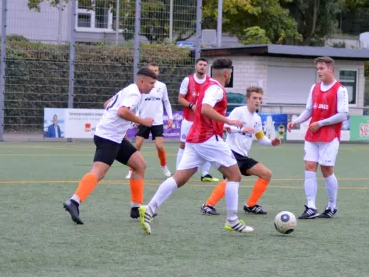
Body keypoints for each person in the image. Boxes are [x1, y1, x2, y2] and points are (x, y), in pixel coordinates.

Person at [138, 58, 254, 235]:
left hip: (195, 138)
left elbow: (205, 113)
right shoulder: (216, 89)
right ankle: (232, 220)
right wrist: (228, 120)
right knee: (235, 175)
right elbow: (206, 109)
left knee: (180, 178)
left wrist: (227, 126)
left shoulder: (207, 86)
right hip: (207, 139)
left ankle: (150, 208)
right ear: (227, 73)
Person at [63, 68, 157, 224]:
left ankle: (136, 208)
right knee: (98, 173)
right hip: (108, 138)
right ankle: (73, 201)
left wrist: (122, 126)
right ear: (142, 81)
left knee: (140, 165)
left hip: (114, 136)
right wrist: (142, 121)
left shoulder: (129, 89)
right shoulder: (134, 93)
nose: (153, 87)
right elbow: (121, 112)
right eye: (151, 83)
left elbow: (107, 104)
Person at [200, 86, 281, 216]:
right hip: (230, 153)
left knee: (266, 174)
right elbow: (225, 126)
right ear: (247, 99)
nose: (257, 101)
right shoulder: (239, 111)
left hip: (243, 156)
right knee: (232, 180)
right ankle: (207, 205)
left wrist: (272, 142)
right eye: (254, 98)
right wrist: (241, 129)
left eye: (260, 98)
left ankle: (250, 205)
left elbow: (260, 138)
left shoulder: (257, 119)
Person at [287, 56, 349, 219]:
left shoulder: (340, 89)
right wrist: (297, 121)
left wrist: (320, 123)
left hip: (330, 137)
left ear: (331, 69)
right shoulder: (314, 87)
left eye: (322, 68)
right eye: (318, 69)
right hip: (312, 136)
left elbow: (342, 115)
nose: (319, 72)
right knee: (309, 167)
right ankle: (311, 207)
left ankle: (331, 206)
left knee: (326, 170)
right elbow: (309, 110)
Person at [125, 63, 173, 179]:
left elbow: (166, 101)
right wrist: (136, 116)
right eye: (152, 70)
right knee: (137, 145)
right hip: (143, 120)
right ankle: (131, 170)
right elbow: (136, 102)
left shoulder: (162, 86)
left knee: (159, 146)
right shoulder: (141, 86)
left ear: (158, 72)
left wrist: (170, 117)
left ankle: (164, 167)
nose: (154, 72)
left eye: (156, 70)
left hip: (157, 121)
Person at [177, 58, 220, 182]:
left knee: (206, 144)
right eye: (200, 64)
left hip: (204, 121)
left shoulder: (211, 82)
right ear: (196, 66)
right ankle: (178, 172)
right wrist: (191, 106)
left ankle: (205, 174)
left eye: (205, 65)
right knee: (183, 145)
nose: (202, 67)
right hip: (189, 119)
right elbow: (180, 99)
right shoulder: (187, 80)